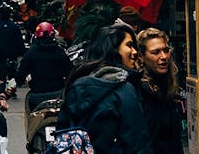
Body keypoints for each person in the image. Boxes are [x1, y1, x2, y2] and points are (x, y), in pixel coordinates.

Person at [57, 24, 152, 154]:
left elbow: (63, 131)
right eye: (129, 45)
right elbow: (137, 142)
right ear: (113, 49)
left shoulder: (77, 84)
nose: (135, 52)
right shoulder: (124, 90)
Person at [136, 28, 183, 153]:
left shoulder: (167, 87)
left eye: (166, 50)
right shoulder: (138, 91)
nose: (164, 57)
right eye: (156, 52)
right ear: (141, 57)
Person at [15, 21, 72, 112]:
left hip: (37, 96)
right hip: (58, 95)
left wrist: (18, 81)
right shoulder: (60, 52)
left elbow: (21, 75)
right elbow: (70, 71)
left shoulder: (31, 53)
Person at [0, 6, 25, 86]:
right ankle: (11, 89)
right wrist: (21, 51)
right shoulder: (14, 26)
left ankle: (2, 88)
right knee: (12, 71)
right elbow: (19, 40)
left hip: (1, 51)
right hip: (12, 52)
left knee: (2, 71)